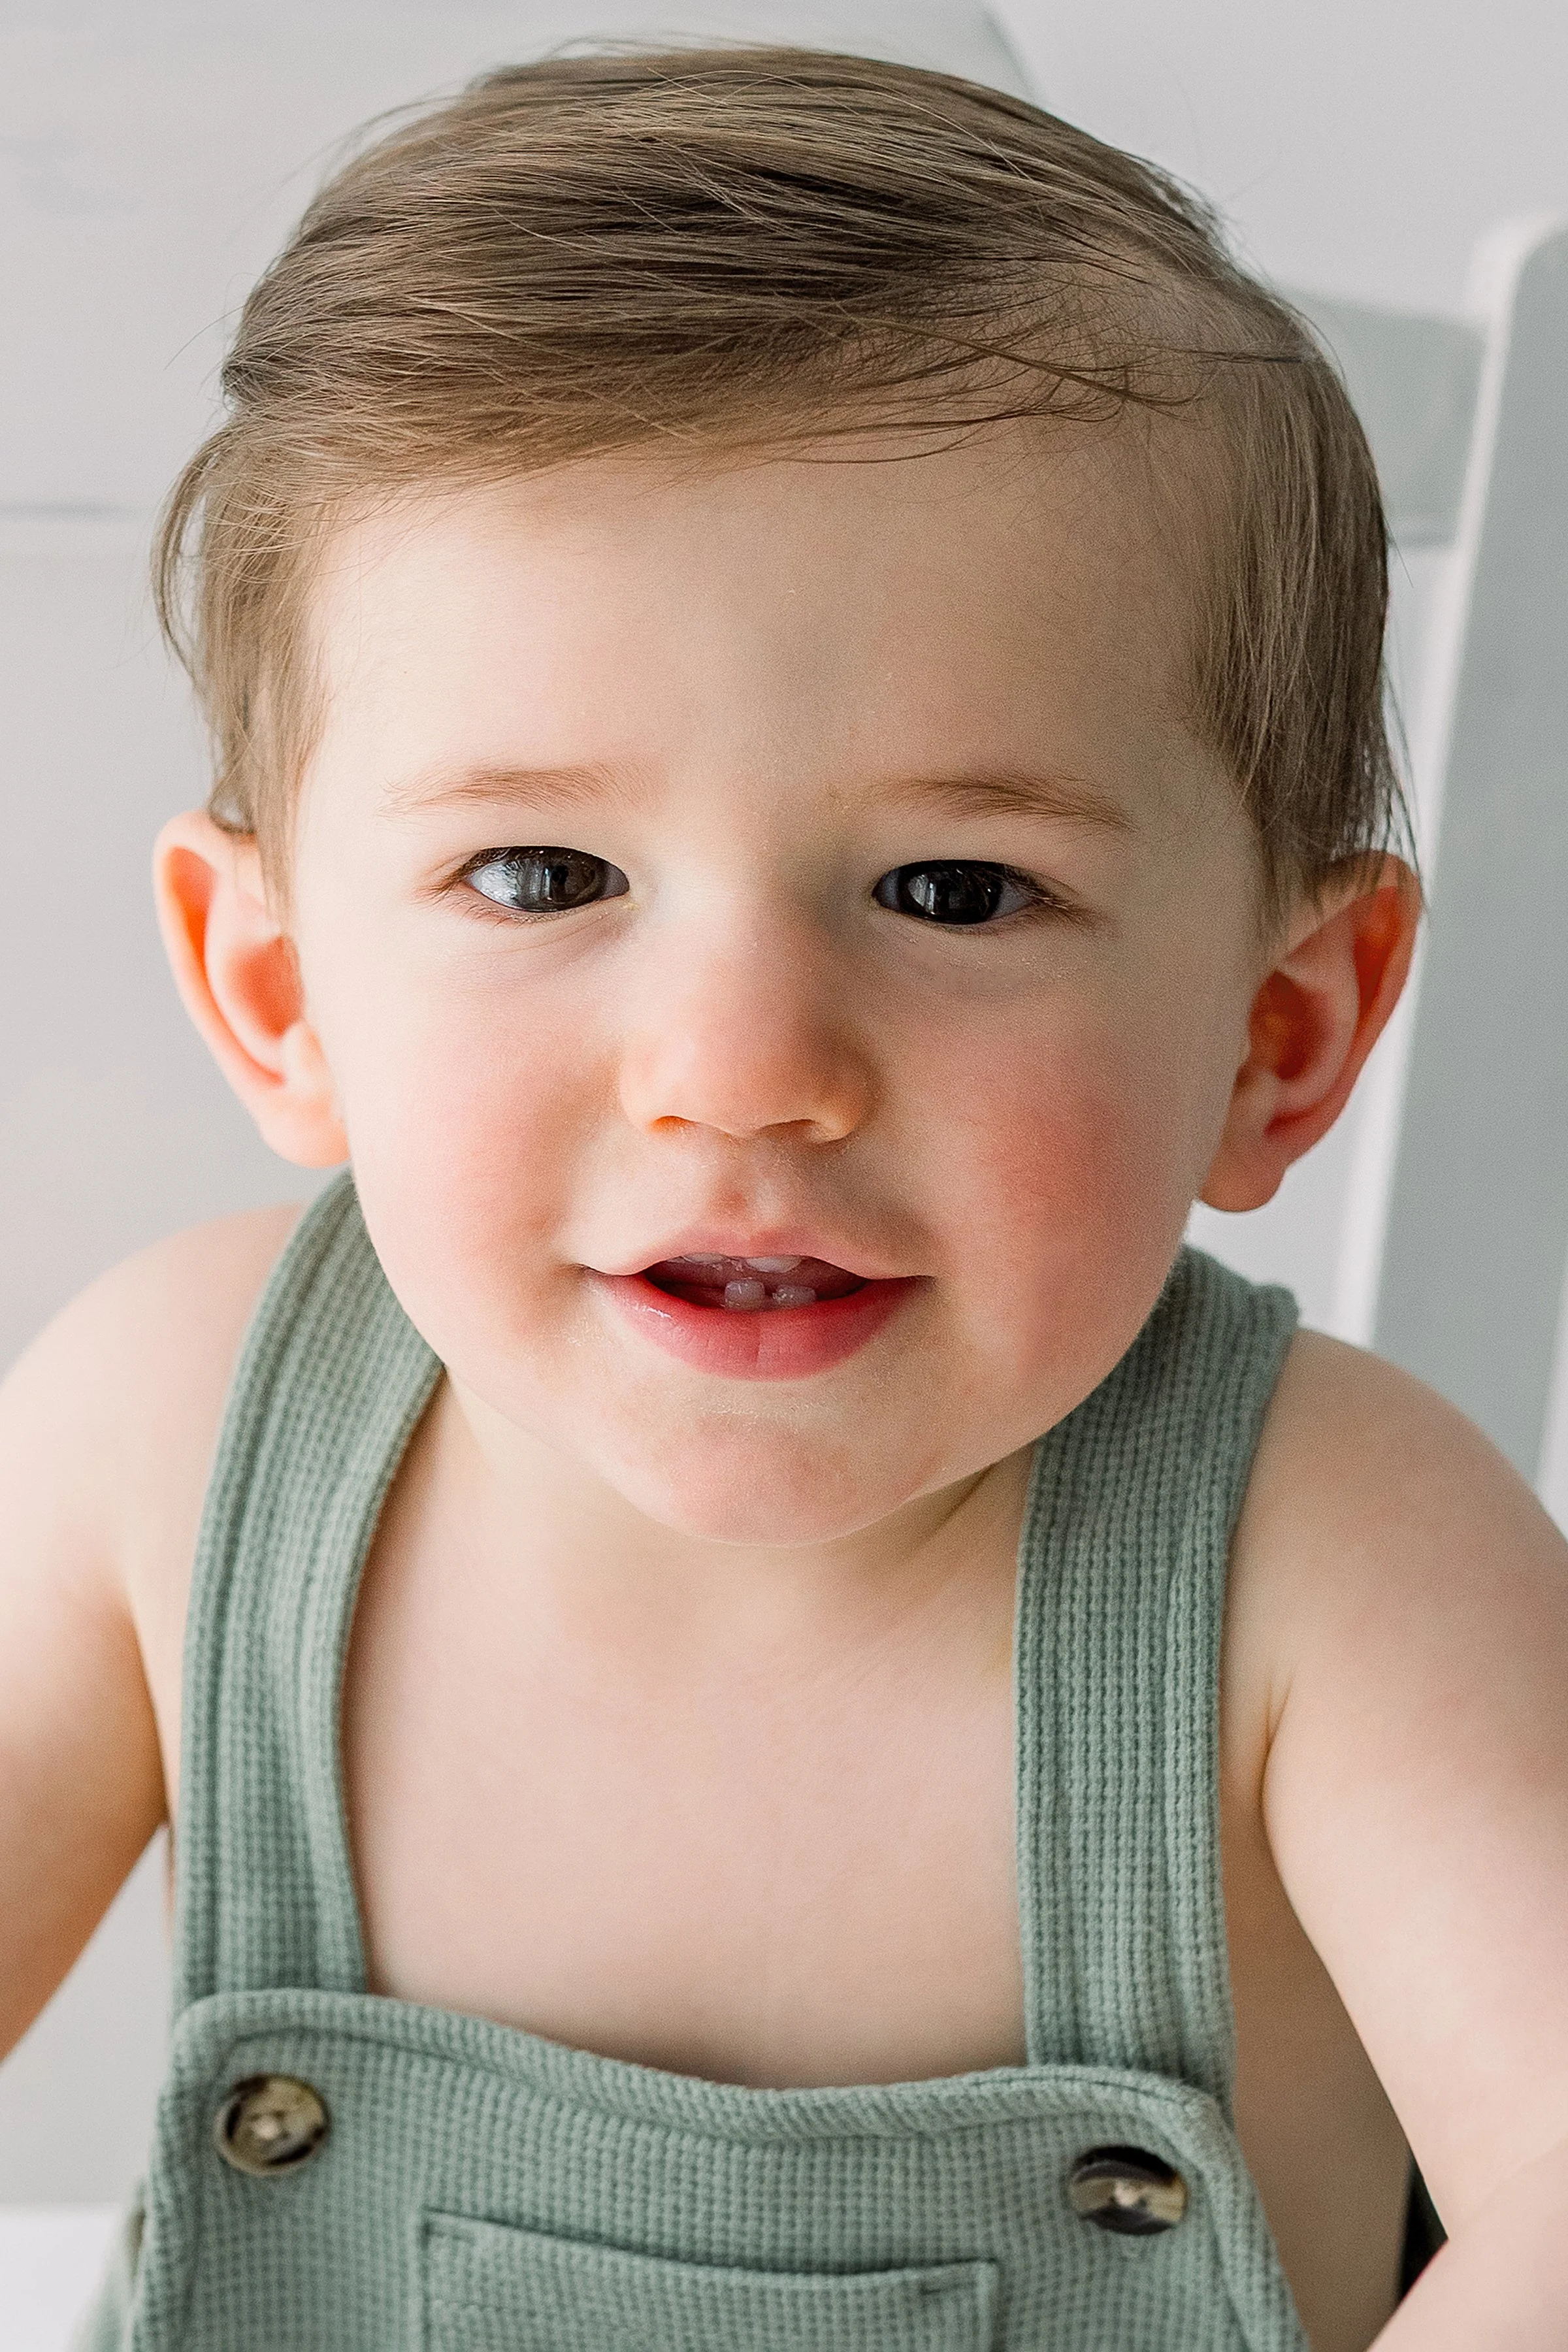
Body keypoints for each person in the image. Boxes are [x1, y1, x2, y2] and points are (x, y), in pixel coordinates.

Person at [3, 44, 1565, 2352]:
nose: (744, 1070)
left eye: (955, 886)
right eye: (543, 873)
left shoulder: (1329, 1559)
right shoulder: (177, 1438)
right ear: (278, 988)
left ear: (1280, 1034)